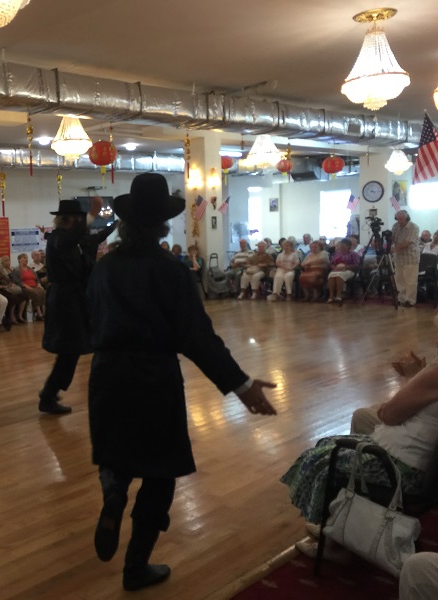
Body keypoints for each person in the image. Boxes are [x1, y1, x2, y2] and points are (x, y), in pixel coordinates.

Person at [86, 173, 277, 591]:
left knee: (115, 453)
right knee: (159, 470)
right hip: (153, 377)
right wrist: (242, 387)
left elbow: (90, 323)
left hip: (106, 374)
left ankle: (114, 494)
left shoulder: (103, 269)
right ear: (161, 226)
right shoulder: (171, 271)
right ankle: (135, 567)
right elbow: (197, 338)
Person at [282, 350, 438, 557]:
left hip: (404, 468)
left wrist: (413, 377)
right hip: (418, 464)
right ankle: (338, 525)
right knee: (330, 442)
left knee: (319, 461)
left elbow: (389, 414)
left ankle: (336, 541)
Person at [39, 196, 118, 415]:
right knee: (70, 349)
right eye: (80, 218)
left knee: (72, 349)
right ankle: (48, 394)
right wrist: (93, 212)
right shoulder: (58, 239)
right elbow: (71, 240)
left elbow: (100, 237)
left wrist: (118, 223)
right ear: (70, 219)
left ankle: (50, 392)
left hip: (77, 298)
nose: (82, 222)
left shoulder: (78, 241)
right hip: (65, 300)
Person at [392, 210, 420, 307]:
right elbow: (392, 238)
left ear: (406, 218)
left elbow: (408, 242)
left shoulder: (413, 227)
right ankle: (402, 299)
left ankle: (410, 300)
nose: (399, 221)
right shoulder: (395, 226)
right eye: (398, 219)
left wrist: (394, 248)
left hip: (410, 257)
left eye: (401, 219)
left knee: (410, 280)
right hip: (399, 257)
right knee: (399, 279)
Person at [326, 238, 360, 305]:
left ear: (349, 246)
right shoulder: (337, 253)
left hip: (349, 270)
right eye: (341, 246)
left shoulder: (353, 254)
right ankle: (331, 296)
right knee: (331, 276)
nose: (341, 248)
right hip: (336, 269)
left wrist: (346, 267)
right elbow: (331, 263)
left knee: (339, 276)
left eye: (343, 246)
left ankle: (339, 295)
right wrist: (334, 267)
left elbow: (357, 265)